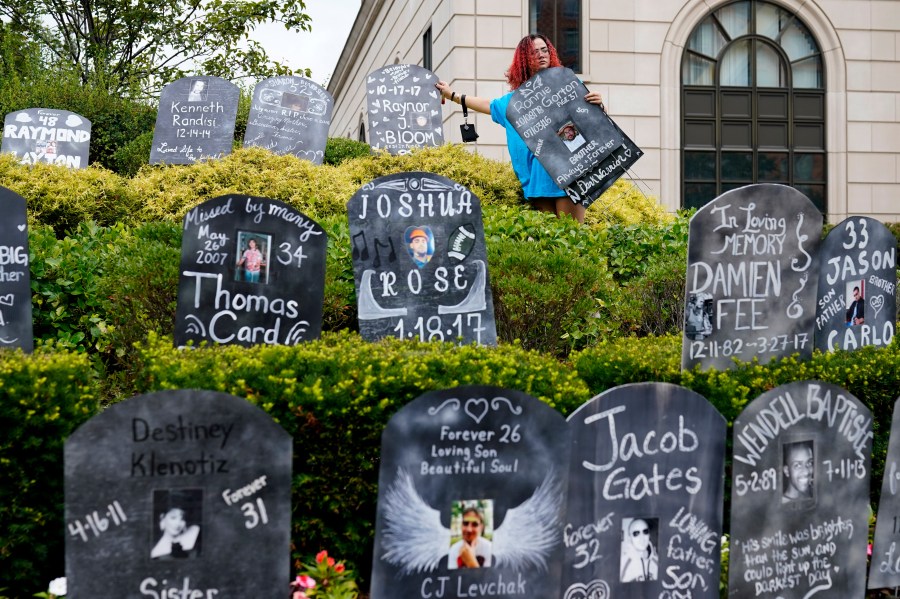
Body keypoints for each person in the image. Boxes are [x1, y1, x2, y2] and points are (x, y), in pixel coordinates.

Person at [435, 34, 605, 224]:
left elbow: (593, 122)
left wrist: (599, 104)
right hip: (538, 180)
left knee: (574, 238)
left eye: (544, 50)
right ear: (524, 59)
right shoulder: (515, 102)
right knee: (551, 244)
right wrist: (451, 95)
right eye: (534, 52)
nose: (541, 55)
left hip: (570, 172)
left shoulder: (569, 85)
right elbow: (487, 104)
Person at [620, 518, 658, 582]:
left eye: (645, 532)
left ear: (649, 535)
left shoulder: (657, 561)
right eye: (636, 533)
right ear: (630, 538)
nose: (642, 537)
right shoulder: (622, 564)